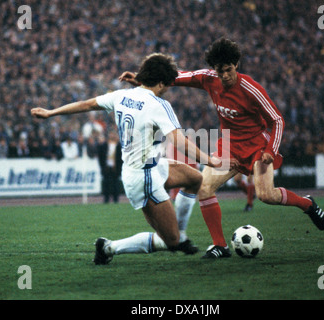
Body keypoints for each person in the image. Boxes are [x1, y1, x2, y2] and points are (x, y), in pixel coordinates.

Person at [120, 38, 324, 259]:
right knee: (204, 187)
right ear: (214, 69)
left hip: (257, 146)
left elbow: (277, 120)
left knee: (266, 195)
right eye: (220, 71)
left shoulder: (251, 89)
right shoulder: (209, 79)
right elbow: (177, 76)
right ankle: (220, 245)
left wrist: (271, 150)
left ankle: (307, 204)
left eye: (228, 70)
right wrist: (143, 81)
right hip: (228, 145)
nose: (225, 76)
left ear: (236, 65)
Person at [31, 53, 224, 265]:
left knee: (195, 179)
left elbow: (86, 104)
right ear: (160, 83)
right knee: (170, 241)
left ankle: (182, 235)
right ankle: (109, 247)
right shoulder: (159, 105)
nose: (169, 87)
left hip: (148, 166)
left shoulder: (121, 96)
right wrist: (209, 159)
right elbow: (179, 142)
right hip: (144, 178)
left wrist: (51, 113)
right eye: (168, 84)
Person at [98, 131, 123, 203]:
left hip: (115, 168)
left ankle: (116, 199)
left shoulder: (118, 146)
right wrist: (102, 166)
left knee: (115, 184)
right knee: (106, 184)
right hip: (107, 167)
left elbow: (121, 158)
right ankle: (106, 199)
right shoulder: (104, 145)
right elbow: (101, 157)